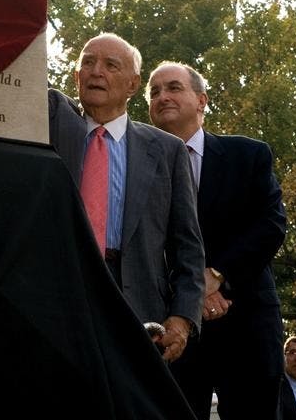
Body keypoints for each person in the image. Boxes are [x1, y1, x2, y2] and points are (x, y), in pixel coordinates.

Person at [48, 33, 205, 363]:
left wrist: (182, 319)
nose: (96, 72)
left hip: (139, 309)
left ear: (133, 85)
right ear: (76, 77)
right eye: (87, 63)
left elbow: (187, 247)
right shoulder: (55, 126)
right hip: (60, 294)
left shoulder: (166, 150)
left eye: (110, 65)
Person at [146, 61, 287, 419]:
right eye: (154, 91)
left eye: (174, 87)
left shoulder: (248, 155)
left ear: (202, 100)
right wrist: (194, 293)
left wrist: (218, 276)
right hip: (176, 324)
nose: (163, 96)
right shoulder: (138, 166)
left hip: (247, 320)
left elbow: (270, 224)